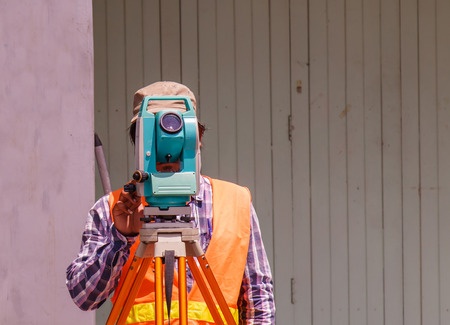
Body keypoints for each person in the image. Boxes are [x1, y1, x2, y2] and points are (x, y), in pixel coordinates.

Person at [66, 81, 276, 324]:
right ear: (138, 141)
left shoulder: (235, 203)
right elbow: (83, 296)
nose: (167, 145)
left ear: (197, 137)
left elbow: (259, 298)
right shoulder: (114, 209)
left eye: (177, 133)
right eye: (154, 134)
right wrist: (120, 238)